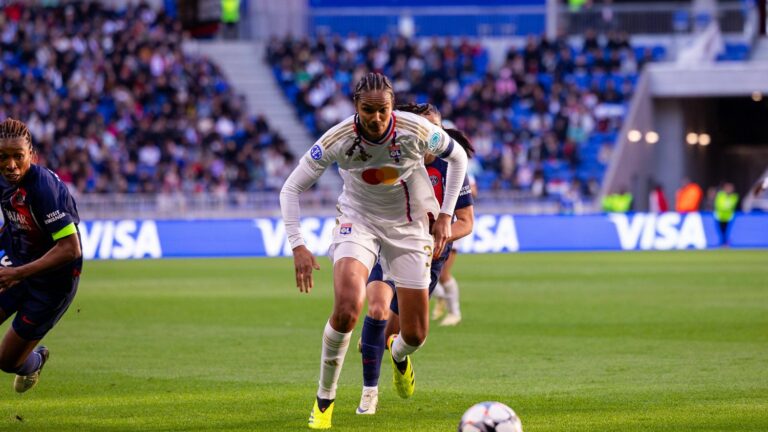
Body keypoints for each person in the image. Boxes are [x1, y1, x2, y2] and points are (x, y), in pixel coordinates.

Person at [279, 73, 468, 429]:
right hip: (358, 221)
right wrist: (297, 245)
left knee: (415, 334)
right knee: (349, 308)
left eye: (383, 110)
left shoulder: (415, 130)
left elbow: (457, 157)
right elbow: (290, 189)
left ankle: (398, 356)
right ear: (356, 107)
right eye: (369, 110)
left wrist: (445, 217)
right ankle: (324, 400)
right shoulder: (338, 139)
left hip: (409, 228)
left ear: (392, 106)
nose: (377, 118)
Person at [356, 103, 475, 415]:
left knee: (402, 335)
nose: (428, 135)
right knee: (377, 311)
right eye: (423, 128)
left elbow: (466, 221)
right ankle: (369, 395)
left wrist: (441, 232)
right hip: (389, 244)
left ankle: (397, 355)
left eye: (434, 129)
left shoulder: (451, 167)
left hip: (427, 256)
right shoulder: (393, 157)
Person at [0, 118, 82, 393]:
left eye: (17, 157)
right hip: (17, 263)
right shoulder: (3, 180)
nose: (10, 165)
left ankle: (34, 362)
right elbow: (14, 219)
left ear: (31, 156)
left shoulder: (44, 189)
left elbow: (71, 248)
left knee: (7, 361)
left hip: (52, 284)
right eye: (3, 157)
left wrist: (17, 273)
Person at [713, 182, 739, 246]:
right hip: (719, 217)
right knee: (720, 231)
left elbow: (732, 205)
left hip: (728, 217)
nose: (729, 190)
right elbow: (718, 205)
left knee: (726, 231)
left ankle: (726, 242)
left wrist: (725, 207)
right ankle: (722, 242)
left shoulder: (734, 197)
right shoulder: (720, 195)